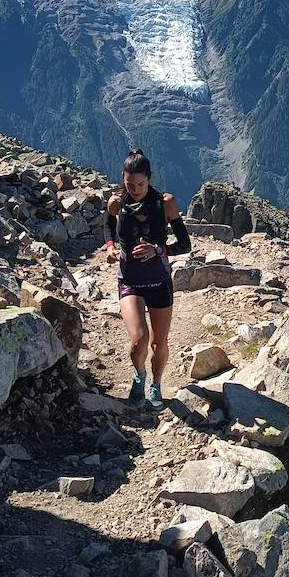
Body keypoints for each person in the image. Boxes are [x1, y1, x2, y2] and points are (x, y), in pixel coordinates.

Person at [105, 149, 191, 410]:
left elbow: (185, 244)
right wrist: (110, 246)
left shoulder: (165, 203)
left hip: (159, 281)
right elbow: (108, 225)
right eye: (129, 184)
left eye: (141, 184)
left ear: (150, 179)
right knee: (139, 339)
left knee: (158, 342)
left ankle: (156, 383)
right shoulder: (116, 202)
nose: (135, 189)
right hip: (129, 279)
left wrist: (157, 250)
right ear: (123, 178)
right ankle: (139, 376)